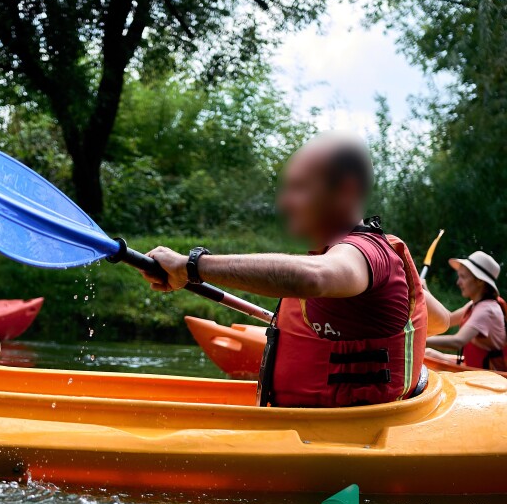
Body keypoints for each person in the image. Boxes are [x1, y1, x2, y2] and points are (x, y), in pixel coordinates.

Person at [140, 132, 448, 408]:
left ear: (346, 190)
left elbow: (315, 277)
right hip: (310, 427)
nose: (285, 202)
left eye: (299, 188)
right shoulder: (358, 256)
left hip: (349, 439)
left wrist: (192, 266)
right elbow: (439, 321)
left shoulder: (364, 254)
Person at [425, 251, 507, 370]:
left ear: (480, 281)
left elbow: (458, 341)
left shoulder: (486, 310)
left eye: (463, 277)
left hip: (489, 377)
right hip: (474, 370)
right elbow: (448, 319)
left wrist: (421, 339)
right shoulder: (476, 305)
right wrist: (426, 294)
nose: (458, 282)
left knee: (427, 357)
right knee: (429, 353)